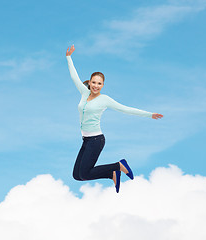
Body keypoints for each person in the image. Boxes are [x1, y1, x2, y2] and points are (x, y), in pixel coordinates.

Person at [66, 45, 163, 193]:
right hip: (86, 140)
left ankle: (118, 166)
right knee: (77, 176)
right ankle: (112, 174)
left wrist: (149, 114)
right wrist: (69, 57)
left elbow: (126, 109)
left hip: (96, 140)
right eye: (93, 82)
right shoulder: (84, 93)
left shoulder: (105, 100)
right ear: (90, 82)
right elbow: (74, 77)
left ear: (102, 85)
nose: (96, 86)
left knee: (84, 173)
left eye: (99, 83)